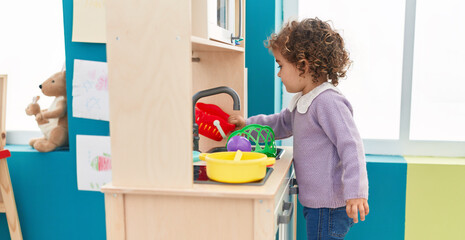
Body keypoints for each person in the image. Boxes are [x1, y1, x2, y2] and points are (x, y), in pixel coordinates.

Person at [228, 18, 369, 240]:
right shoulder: (305, 101)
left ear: (302, 65)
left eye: (280, 65)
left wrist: (356, 193)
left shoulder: (327, 102)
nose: (278, 73)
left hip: (329, 206)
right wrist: (248, 124)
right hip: (317, 203)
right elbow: (281, 123)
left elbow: (351, 146)